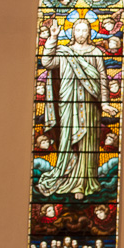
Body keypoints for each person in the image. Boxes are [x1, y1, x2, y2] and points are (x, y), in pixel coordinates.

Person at [36, 17, 118, 200]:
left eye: (84, 30)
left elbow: (103, 79)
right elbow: (47, 62)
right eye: (77, 30)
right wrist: (53, 38)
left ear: (89, 33)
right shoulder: (65, 52)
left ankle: (83, 182)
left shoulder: (96, 53)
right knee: (68, 141)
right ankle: (66, 177)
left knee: (87, 143)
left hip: (90, 104)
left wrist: (105, 103)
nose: (81, 34)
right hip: (69, 103)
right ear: (73, 32)